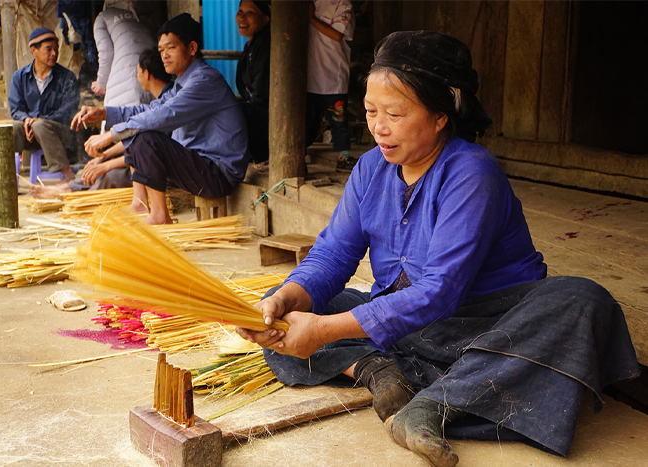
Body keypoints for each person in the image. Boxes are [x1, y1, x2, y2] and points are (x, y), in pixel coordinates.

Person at [236, 31, 639, 467]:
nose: (378, 127)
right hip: (406, 326)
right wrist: (284, 299)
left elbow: (440, 292)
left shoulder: (471, 172)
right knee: (290, 316)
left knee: (583, 301)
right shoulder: (371, 168)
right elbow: (333, 256)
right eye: (371, 111)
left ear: (440, 116)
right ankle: (379, 373)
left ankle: (434, 405)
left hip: (485, 326)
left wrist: (325, 332)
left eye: (395, 113)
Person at [71, 14, 248, 225]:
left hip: (217, 174)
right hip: (199, 166)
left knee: (144, 137)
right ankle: (141, 204)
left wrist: (111, 134)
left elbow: (164, 115)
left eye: (171, 48)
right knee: (138, 132)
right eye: (161, 50)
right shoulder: (182, 82)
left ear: (192, 48)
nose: (164, 56)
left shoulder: (204, 80)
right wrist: (105, 113)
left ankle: (159, 215)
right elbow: (150, 109)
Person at [31, 49, 173, 199]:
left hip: (164, 168)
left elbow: (143, 146)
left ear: (147, 74)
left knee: (110, 174)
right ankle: (67, 188)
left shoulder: (169, 106)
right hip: (148, 157)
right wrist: (103, 157)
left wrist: (105, 164)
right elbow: (133, 138)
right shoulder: (158, 103)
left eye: (137, 73)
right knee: (100, 167)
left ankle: (77, 199)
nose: (137, 78)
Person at [9, 28, 79, 183]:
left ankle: (66, 173)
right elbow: (15, 109)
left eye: (56, 48)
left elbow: (69, 110)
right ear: (34, 50)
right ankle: (7, 174)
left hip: (60, 133)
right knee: (13, 127)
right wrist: (27, 120)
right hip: (31, 134)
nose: (54, 53)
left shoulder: (67, 77)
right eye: (48, 49)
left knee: (40, 125)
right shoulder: (19, 77)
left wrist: (40, 120)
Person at [306, 0, 355, 169]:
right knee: (308, 119)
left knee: (338, 120)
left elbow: (337, 35)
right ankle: (299, 154)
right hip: (309, 76)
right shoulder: (309, 2)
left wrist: (311, 18)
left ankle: (344, 157)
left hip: (333, 75)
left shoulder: (342, 4)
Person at [90, 0, 157, 106]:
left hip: (125, 84)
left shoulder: (103, 17)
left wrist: (101, 83)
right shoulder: (146, 14)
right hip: (156, 78)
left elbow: (106, 54)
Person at [235, 0, 271, 166]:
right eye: (240, 11)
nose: (242, 17)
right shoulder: (253, 44)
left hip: (270, 117)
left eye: (250, 13)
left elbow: (261, 93)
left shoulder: (266, 44)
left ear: (266, 19)